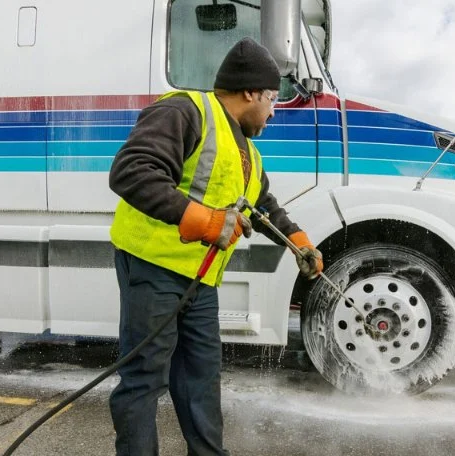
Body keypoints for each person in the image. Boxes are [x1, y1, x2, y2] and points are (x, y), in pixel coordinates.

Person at [108, 37, 323, 456]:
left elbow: (263, 206)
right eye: (272, 99)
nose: (274, 110)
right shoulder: (185, 111)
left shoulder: (248, 152)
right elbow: (131, 171)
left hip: (200, 282)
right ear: (249, 93)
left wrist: (300, 244)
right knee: (144, 381)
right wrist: (202, 220)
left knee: (201, 381)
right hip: (152, 267)